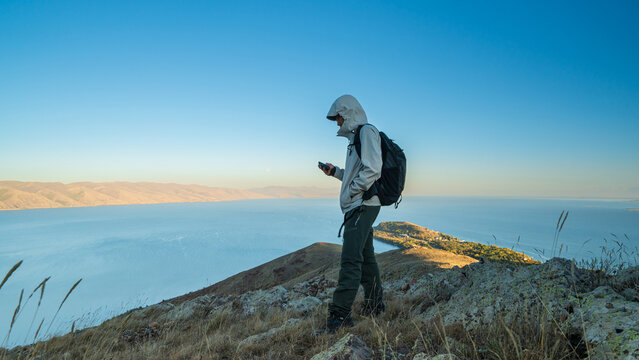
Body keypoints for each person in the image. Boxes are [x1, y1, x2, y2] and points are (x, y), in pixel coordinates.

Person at [317, 94, 385, 334]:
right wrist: (336, 172)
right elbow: (355, 172)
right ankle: (376, 306)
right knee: (366, 258)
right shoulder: (356, 138)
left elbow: (372, 169)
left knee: (350, 260)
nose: (337, 123)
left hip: (362, 206)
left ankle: (340, 316)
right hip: (362, 205)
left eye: (338, 117)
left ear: (347, 113)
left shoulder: (367, 132)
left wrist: (354, 192)